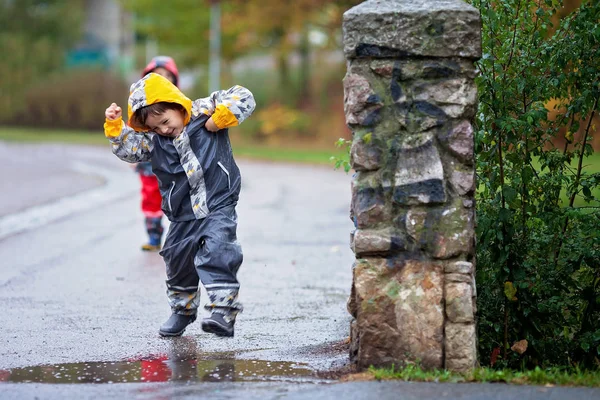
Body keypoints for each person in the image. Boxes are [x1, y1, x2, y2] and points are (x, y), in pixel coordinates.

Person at [103, 72, 255, 337]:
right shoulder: (155, 140)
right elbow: (130, 151)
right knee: (176, 259)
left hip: (218, 202)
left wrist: (220, 119)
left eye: (164, 121)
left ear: (176, 104)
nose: (163, 130)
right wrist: (116, 127)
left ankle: (223, 311)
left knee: (218, 249)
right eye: (154, 128)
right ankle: (182, 311)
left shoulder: (203, 111)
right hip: (181, 213)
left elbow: (244, 97)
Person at [137, 56, 181, 251]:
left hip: (174, 161)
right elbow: (134, 132)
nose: (162, 79)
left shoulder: (178, 104)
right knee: (150, 197)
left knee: (178, 198)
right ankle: (154, 235)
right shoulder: (140, 106)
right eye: (156, 75)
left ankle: (179, 238)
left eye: (167, 75)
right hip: (149, 162)